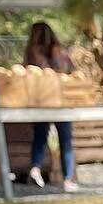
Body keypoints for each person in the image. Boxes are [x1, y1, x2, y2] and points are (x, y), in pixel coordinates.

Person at [23, 21, 78, 192]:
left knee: (41, 136)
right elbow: (68, 70)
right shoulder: (56, 51)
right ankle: (67, 179)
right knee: (65, 140)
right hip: (59, 101)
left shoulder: (31, 53)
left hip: (42, 102)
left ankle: (36, 168)